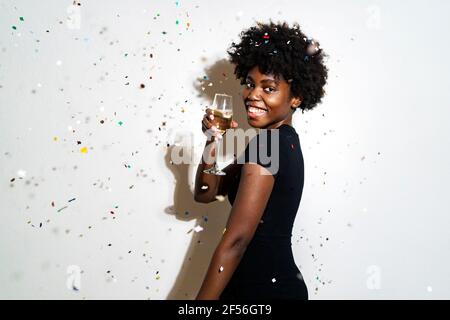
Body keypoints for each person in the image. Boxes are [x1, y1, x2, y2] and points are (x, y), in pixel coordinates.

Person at [194, 20, 328, 300]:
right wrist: (213, 140)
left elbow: (236, 241)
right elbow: (206, 193)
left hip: (262, 290)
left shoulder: (268, 144)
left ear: (296, 97)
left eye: (268, 88)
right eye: (250, 84)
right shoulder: (284, 142)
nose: (253, 95)